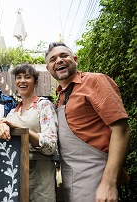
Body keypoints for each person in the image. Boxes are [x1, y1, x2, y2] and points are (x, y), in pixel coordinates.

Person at [45, 42, 131, 202]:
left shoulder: (95, 81)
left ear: (75, 59)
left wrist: (109, 183)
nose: (59, 60)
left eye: (64, 55)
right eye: (53, 59)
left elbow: (122, 130)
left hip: (96, 178)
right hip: (71, 180)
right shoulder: (60, 97)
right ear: (48, 69)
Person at [0, 64, 58, 202]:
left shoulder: (44, 105)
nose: (22, 81)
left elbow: (51, 146)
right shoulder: (12, 113)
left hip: (41, 174)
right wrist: (1, 124)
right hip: (17, 174)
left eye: (27, 77)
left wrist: (23, 131)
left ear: (35, 82)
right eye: (19, 77)